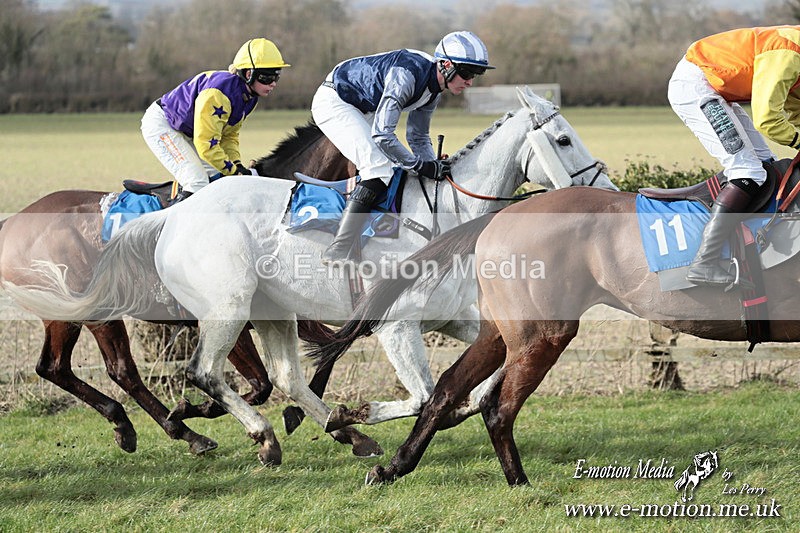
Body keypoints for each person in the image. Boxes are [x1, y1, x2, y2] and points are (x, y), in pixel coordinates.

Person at [311, 30, 495, 264]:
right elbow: (382, 134)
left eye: (476, 74)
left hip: (364, 106)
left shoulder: (434, 90)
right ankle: (338, 248)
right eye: (467, 73)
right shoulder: (407, 75)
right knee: (377, 166)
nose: (470, 81)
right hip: (335, 101)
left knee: (386, 167)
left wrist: (432, 167)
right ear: (446, 65)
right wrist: (420, 166)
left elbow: (417, 136)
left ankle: (368, 234)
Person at [668, 26, 800, 286]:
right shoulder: (789, 53)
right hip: (697, 85)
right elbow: (767, 118)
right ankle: (704, 263)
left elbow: (796, 109)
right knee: (748, 172)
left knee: (766, 165)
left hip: (718, 91)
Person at [141, 38, 290, 202]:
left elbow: (229, 136)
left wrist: (237, 164)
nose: (273, 84)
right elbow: (205, 144)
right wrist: (233, 171)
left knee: (220, 179)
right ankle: (172, 225)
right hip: (163, 125)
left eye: (277, 77)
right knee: (197, 181)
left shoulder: (249, 98)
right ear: (249, 74)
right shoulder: (218, 94)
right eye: (267, 78)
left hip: (190, 131)